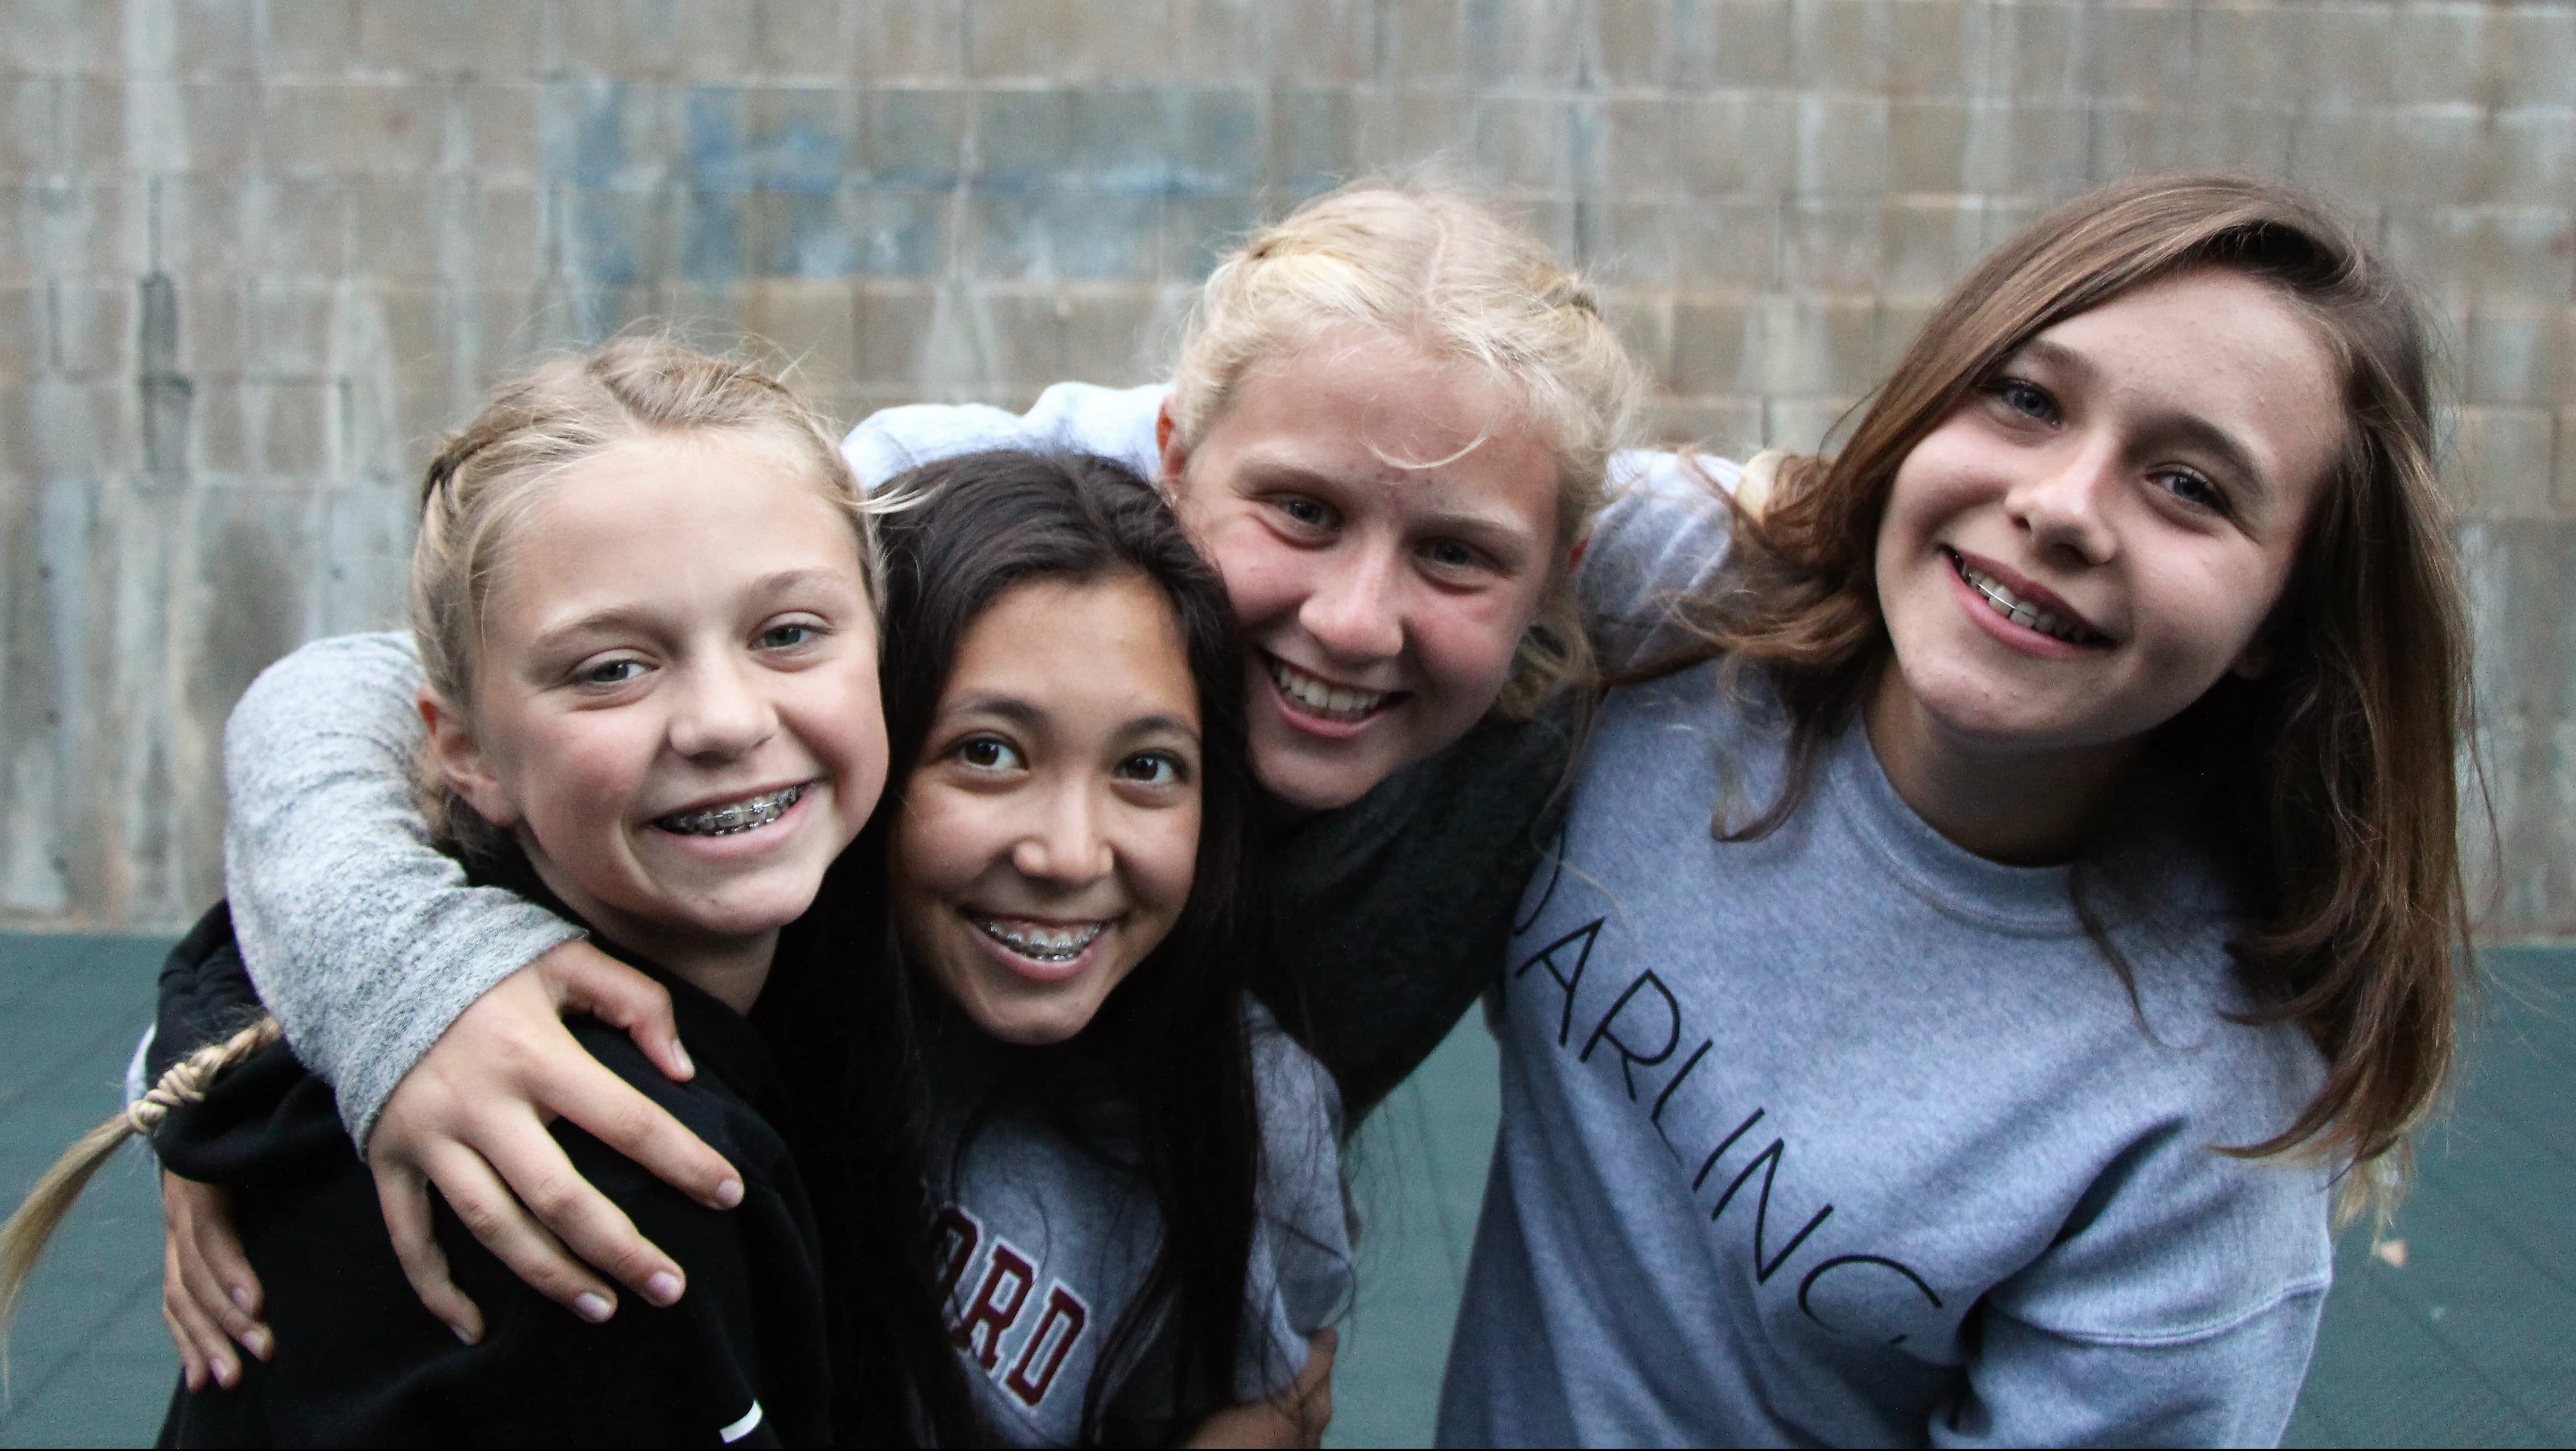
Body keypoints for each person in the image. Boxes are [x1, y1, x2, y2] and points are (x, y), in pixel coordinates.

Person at [161, 179, 1722, 1368]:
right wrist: (386, 994)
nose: (1353, 616)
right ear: (1169, 459)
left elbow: (1878, 517)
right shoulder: (938, 529)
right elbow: (400, 682)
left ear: (1563, 570)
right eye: (1298, 515)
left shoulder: (1594, 600)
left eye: (1453, 556)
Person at [1437, 173, 2476, 1446]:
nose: (2059, 505)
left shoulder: (2206, 1120)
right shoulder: (1677, 595)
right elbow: (1234, 461)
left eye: (2191, 487)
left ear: (2281, 618)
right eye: (2026, 399)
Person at [5, 337, 970, 1444]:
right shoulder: (598, 1185)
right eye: (610, 667)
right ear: (461, 749)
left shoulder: (800, 972)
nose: (725, 720)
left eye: (788, 633)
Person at [859, 449, 1348, 1444]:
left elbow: (1263, 1398)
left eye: (1146, 767)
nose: (1069, 855)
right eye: (987, 753)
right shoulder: (724, 1013)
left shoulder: (1243, 1105)